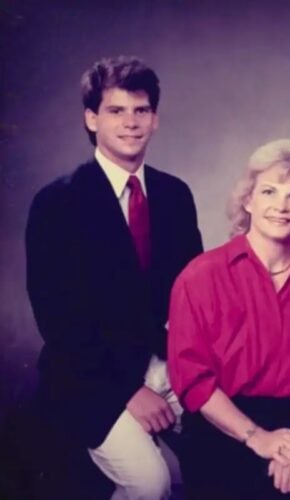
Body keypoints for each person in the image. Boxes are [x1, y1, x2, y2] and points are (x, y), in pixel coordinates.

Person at [25, 56, 203, 498]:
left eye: (141, 110)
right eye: (116, 110)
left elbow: (192, 295)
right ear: (91, 118)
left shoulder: (174, 195)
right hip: (92, 379)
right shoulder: (58, 202)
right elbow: (59, 321)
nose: (131, 122)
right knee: (151, 481)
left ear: (155, 119)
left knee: (223, 458)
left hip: (166, 368)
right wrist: (129, 391)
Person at [168, 139, 290, 499]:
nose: (281, 206)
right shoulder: (200, 275)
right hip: (223, 423)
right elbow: (193, 379)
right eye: (269, 192)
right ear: (248, 201)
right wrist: (259, 438)